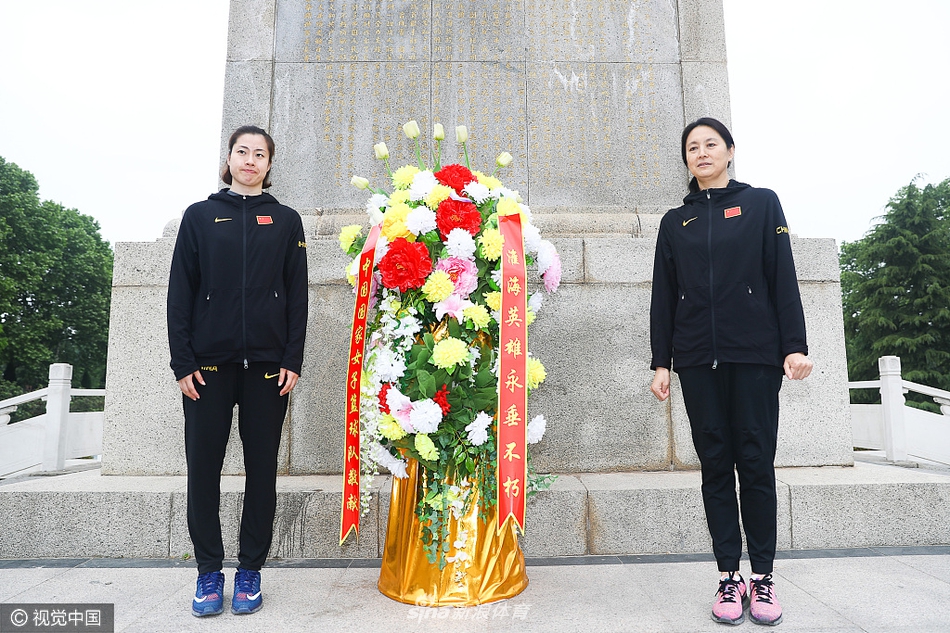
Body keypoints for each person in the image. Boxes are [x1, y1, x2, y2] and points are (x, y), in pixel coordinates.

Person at [649, 117, 812, 626]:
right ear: (687, 160)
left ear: (730, 151)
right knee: (716, 467)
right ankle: (728, 577)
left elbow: (781, 275)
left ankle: (762, 578)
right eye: (692, 147)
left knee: (756, 464)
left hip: (755, 358)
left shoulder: (762, 204)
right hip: (697, 359)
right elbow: (662, 298)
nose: (701, 153)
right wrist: (661, 361)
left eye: (710, 144)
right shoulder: (676, 222)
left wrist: (794, 346)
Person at [167, 125, 308, 617]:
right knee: (202, 470)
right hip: (206, 368)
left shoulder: (286, 221)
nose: (250, 160)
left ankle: (250, 569)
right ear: (228, 159)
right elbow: (180, 293)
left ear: (270, 165)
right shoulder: (200, 217)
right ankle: (208, 572)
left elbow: (296, 296)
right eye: (242, 151)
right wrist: (182, 362)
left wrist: (292, 358)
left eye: (260, 153)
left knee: (262, 470)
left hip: (269, 368)